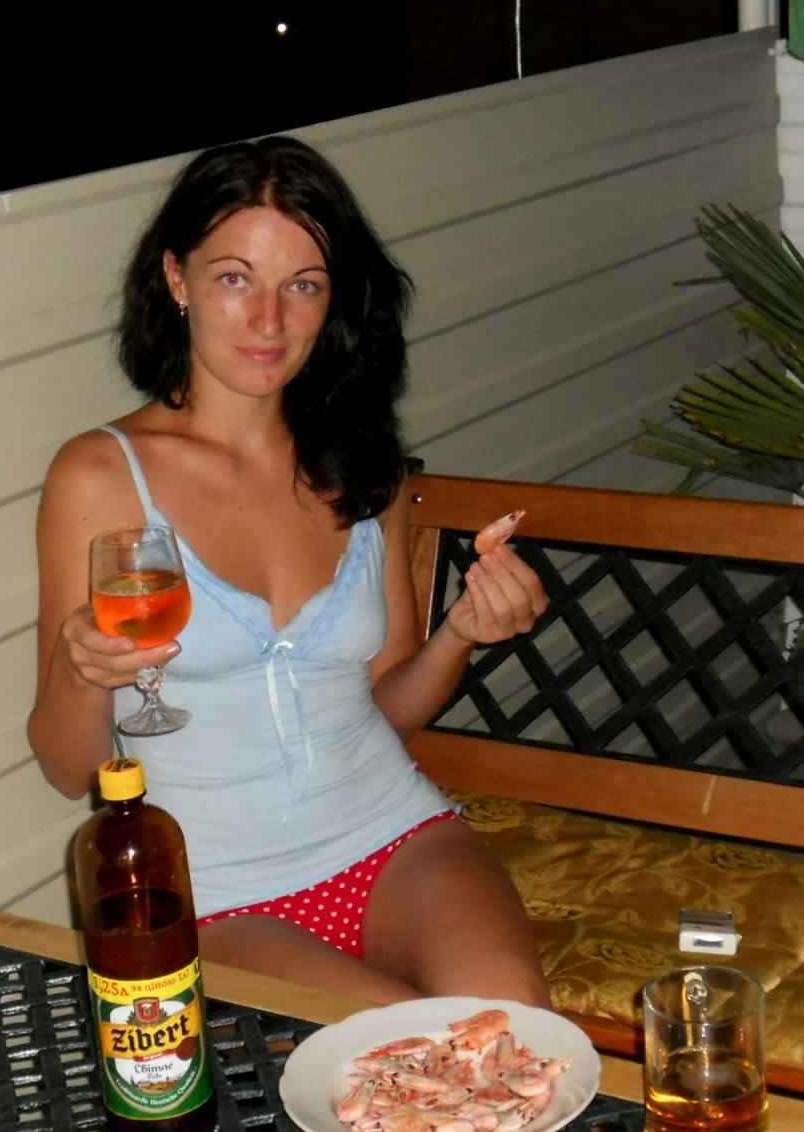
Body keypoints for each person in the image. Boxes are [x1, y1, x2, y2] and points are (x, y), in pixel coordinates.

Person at [28, 135, 551, 1008]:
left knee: (511, 1029)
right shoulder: (101, 475)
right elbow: (67, 766)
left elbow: (390, 706)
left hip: (395, 837)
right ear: (176, 278)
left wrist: (461, 632)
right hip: (221, 893)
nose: (269, 321)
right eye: (236, 278)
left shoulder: (362, 464)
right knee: (411, 1054)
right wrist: (84, 669)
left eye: (303, 285)